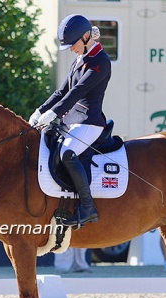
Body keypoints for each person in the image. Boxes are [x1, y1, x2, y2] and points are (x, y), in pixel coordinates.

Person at [29, 14, 112, 227]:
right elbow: (61, 92)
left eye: (73, 44)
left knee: (68, 153)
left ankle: (87, 207)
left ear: (86, 37)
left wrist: (53, 114)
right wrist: (40, 110)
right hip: (70, 122)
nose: (72, 50)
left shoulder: (101, 61)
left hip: (89, 122)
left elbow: (76, 92)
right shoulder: (79, 59)